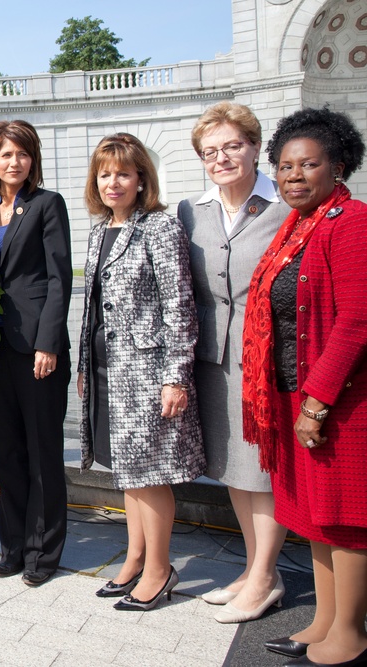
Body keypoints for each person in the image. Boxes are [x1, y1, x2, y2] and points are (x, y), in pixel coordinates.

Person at [245, 108, 367, 666]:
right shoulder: (297, 226)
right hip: (294, 391)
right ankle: (324, 618)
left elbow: (357, 321)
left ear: (338, 167)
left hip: (338, 402)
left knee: (344, 517)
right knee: (315, 515)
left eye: (308, 165)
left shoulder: (351, 222)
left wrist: (316, 403)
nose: (294, 175)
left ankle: (349, 631)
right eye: (285, 166)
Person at [77, 132, 205, 611]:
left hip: (147, 372)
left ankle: (159, 570)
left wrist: (176, 375)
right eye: (105, 173)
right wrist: (86, 370)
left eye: (123, 173)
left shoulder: (160, 228)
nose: (113, 182)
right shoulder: (98, 229)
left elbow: (180, 305)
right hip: (107, 370)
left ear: (141, 179)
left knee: (151, 474)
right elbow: (93, 308)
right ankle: (134, 559)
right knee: (129, 474)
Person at [177, 102, 291, 623]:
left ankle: (266, 579)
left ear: (253, 146)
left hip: (266, 358)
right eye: (210, 151)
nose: (221, 158)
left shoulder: (284, 207)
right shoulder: (190, 211)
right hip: (212, 359)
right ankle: (252, 567)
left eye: (231, 146)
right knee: (234, 470)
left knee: (262, 471)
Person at [0, 120, 73, 587]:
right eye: (6, 155)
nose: (15, 162)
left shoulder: (48, 204)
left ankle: (42, 554)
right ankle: (11, 546)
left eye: (23, 154)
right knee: (6, 452)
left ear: (33, 159)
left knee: (42, 451)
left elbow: (58, 277)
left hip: (37, 349)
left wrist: (47, 341)